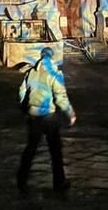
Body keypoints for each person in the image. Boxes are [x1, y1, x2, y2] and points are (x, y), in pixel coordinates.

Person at [16, 46, 76, 193]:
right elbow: (61, 97)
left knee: (30, 148)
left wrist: (24, 106)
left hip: (33, 115)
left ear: (41, 56)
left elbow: (22, 91)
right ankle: (59, 182)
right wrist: (70, 113)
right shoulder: (55, 73)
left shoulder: (31, 72)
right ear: (52, 57)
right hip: (49, 116)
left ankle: (21, 179)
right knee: (55, 151)